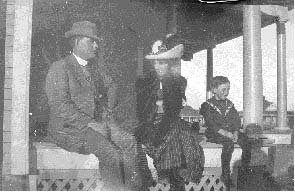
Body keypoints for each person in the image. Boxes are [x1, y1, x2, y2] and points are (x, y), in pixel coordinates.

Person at [45, 21, 144, 190]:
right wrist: (90, 123)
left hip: (97, 126)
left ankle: (133, 189)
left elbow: (112, 85)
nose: (96, 45)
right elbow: (60, 106)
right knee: (110, 153)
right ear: (77, 42)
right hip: (69, 130)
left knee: (130, 142)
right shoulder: (60, 67)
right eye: (91, 41)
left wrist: (108, 111)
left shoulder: (93, 69)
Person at [136, 37, 204, 190]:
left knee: (183, 135)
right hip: (151, 122)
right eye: (155, 62)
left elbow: (173, 110)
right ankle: (172, 177)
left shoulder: (178, 82)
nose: (158, 66)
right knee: (174, 134)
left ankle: (178, 178)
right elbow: (142, 111)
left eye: (162, 62)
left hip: (170, 121)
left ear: (169, 63)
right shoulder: (145, 82)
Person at [200, 76, 252, 189]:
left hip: (231, 132)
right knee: (228, 144)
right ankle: (226, 174)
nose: (227, 92)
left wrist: (236, 132)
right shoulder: (207, 106)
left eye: (228, 89)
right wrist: (227, 134)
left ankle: (244, 170)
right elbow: (211, 124)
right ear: (214, 90)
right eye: (223, 89)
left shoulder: (230, 105)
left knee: (246, 141)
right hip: (215, 133)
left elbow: (236, 120)